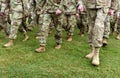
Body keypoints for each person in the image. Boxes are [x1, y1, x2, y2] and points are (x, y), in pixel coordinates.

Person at [85, 0, 118, 66]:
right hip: (90, 4)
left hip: (104, 4)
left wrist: (113, 7)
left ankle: (96, 54)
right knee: (91, 28)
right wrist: (80, 3)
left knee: (98, 26)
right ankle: (92, 50)